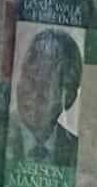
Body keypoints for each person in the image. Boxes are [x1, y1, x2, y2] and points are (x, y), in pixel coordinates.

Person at [7, 26, 83, 167]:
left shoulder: (78, 153)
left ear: (69, 98)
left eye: (45, 85)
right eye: (29, 79)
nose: (33, 94)